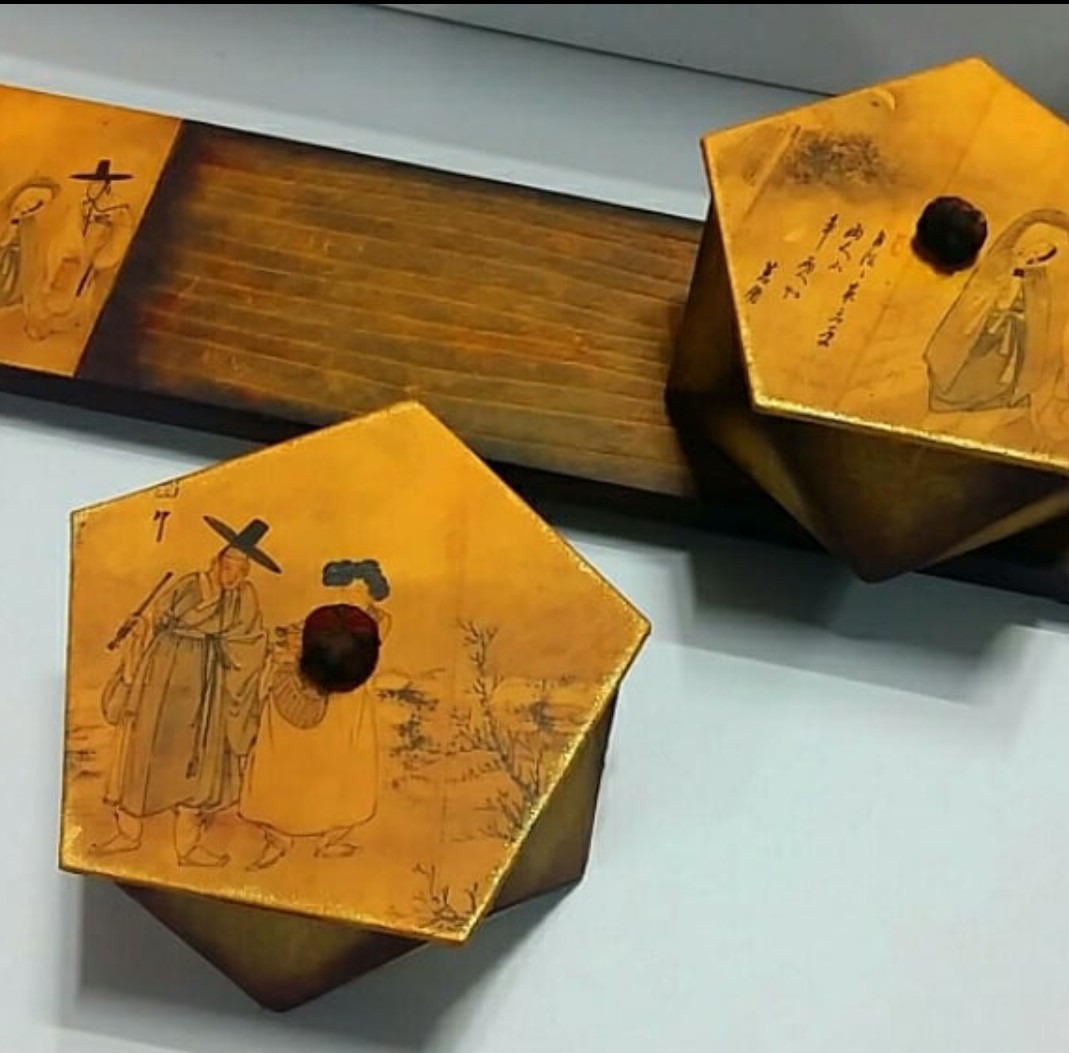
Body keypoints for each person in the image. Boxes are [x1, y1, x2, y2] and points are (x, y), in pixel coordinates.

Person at [94, 516, 281, 866]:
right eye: (229, 567)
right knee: (149, 747)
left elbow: (251, 638)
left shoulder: (245, 597)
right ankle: (128, 834)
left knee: (201, 761)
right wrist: (140, 626)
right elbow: (157, 618)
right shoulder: (189, 585)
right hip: (167, 673)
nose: (233, 576)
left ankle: (188, 847)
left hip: (212, 682)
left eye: (241, 571)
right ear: (216, 562)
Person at [240, 559, 390, 870]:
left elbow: (346, 650)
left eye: (357, 591)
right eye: (346, 590)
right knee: (290, 764)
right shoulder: (331, 616)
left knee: (341, 769)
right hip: (305, 692)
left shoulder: (376, 622)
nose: (348, 596)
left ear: (371, 593)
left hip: (347, 701)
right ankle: (279, 838)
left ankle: (330, 839)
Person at [925, 210, 1069, 432]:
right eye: (1034, 250)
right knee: (973, 362)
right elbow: (976, 302)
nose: (1034, 257)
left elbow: (1038, 311)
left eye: (1041, 255)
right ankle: (957, 396)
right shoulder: (999, 265)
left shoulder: (1036, 278)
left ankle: (998, 397)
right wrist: (997, 310)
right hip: (986, 328)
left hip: (1013, 331)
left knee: (1004, 368)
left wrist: (1022, 317)